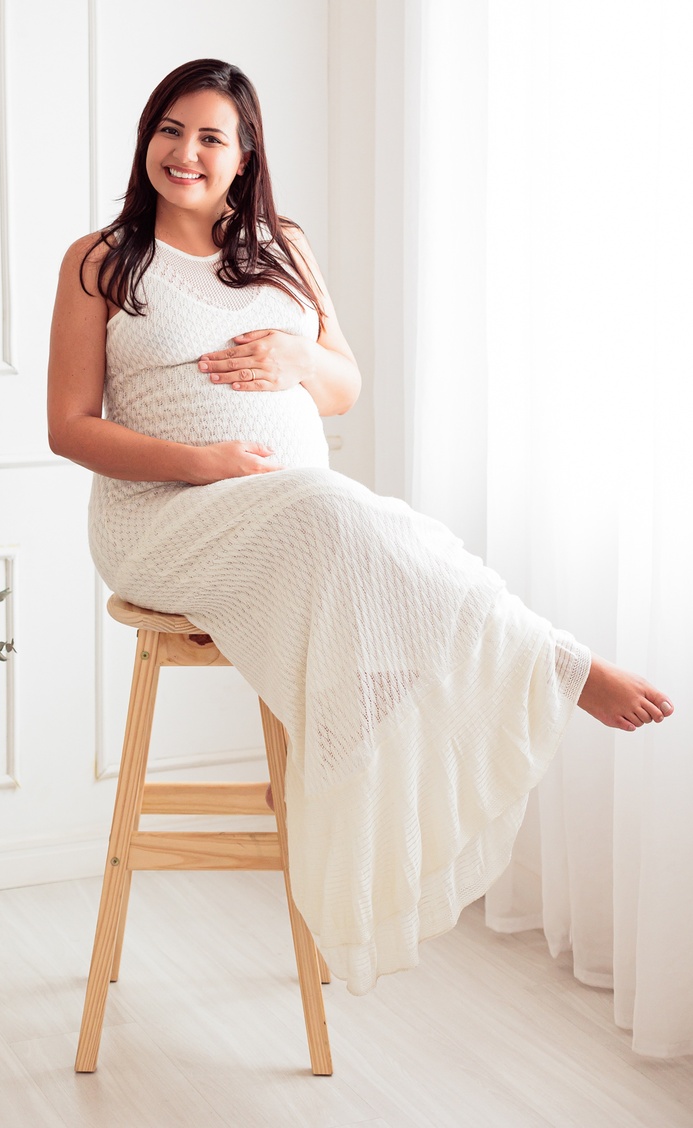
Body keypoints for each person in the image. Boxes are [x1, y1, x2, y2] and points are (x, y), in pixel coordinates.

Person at [47, 57, 673, 994]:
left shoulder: (282, 247)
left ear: (245, 155)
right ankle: (550, 664)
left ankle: (357, 731)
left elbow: (341, 386)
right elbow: (68, 428)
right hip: (161, 520)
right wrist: (202, 462)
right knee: (341, 507)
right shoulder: (101, 260)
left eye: (211, 136)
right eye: (169, 130)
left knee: (360, 518)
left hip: (291, 518)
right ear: (147, 139)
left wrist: (297, 355)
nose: (185, 152)